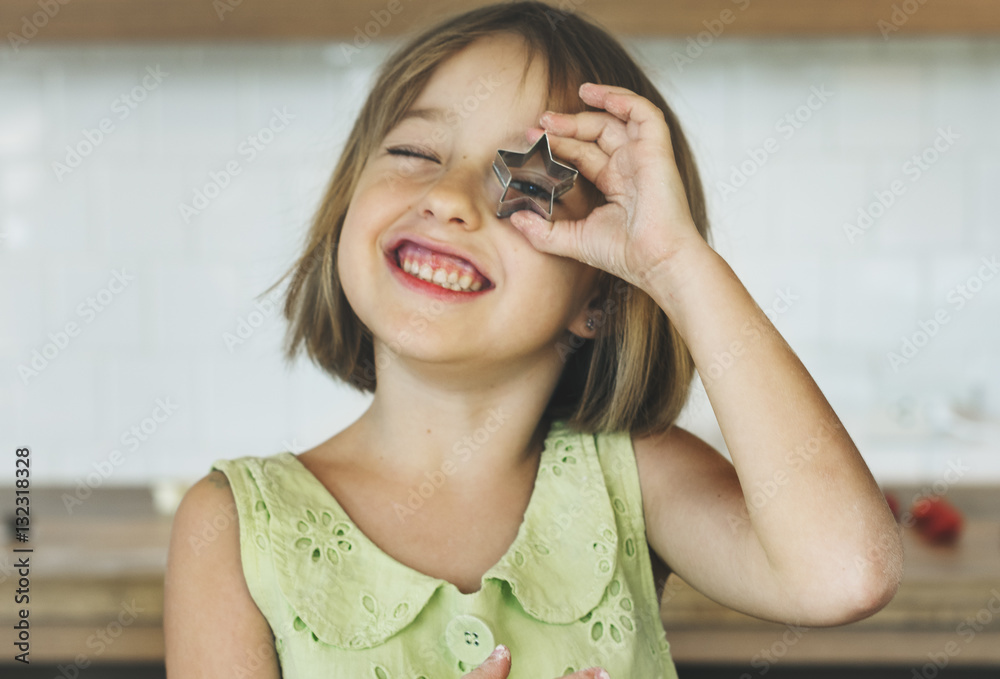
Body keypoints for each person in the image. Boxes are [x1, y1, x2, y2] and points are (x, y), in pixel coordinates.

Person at [164, 3, 904, 678]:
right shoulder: (231, 527)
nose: (449, 198)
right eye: (416, 151)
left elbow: (847, 574)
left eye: (529, 185)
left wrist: (675, 264)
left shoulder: (636, 478)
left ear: (601, 294)